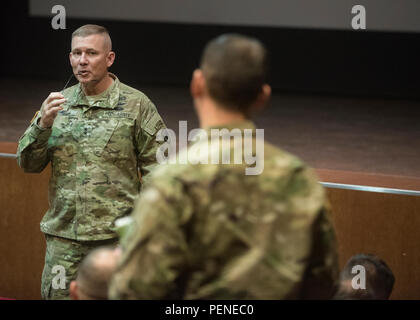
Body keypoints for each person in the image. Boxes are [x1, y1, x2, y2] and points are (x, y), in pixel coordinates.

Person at [108, 34, 339, 299]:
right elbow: (324, 284)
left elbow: (136, 291)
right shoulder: (300, 179)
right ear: (262, 96)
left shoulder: (172, 181)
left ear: (197, 84)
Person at [17, 24, 166, 299]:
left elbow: (159, 172)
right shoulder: (57, 104)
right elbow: (28, 163)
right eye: (76, 53)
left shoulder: (137, 105)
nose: (82, 61)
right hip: (64, 241)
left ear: (109, 59)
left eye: (91, 53)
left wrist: (140, 229)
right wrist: (42, 124)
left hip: (114, 242)